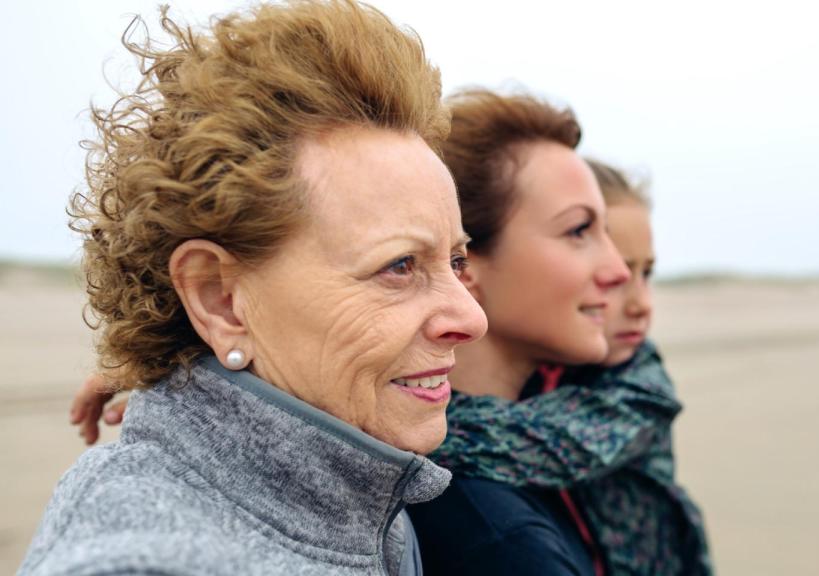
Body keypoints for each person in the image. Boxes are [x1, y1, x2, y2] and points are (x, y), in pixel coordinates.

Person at [20, 1, 487, 575]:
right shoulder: (147, 562)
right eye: (399, 266)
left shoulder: (364, 472)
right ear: (219, 300)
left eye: (456, 260)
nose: (472, 318)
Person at [418, 158, 714, 575]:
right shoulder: (543, 373)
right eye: (615, 276)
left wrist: (421, 433)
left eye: (646, 273)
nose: (640, 305)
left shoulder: (640, 385)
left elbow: (551, 445)